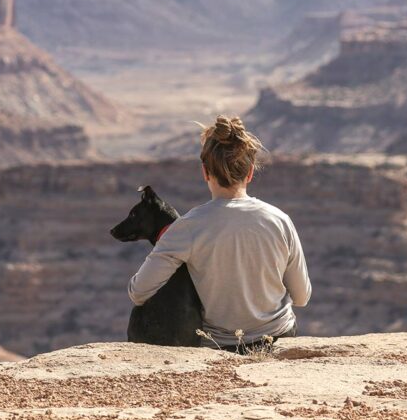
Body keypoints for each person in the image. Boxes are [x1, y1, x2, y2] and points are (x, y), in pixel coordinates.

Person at [127, 115, 311, 351]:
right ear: (250, 172)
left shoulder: (187, 227)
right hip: (279, 339)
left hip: (221, 347)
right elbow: (302, 297)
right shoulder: (280, 220)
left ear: (205, 172)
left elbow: (138, 292)